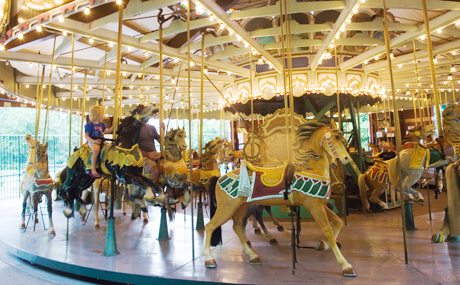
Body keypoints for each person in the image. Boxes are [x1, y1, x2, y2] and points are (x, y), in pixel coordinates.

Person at [135, 105, 163, 184]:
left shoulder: (152, 127)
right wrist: (148, 154)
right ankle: (153, 191)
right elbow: (134, 148)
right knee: (155, 170)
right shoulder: (135, 129)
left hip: (154, 154)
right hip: (142, 156)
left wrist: (163, 130)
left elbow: (161, 141)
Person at [85, 105, 111, 178]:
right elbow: (86, 136)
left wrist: (114, 126)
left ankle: (104, 165)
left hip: (101, 140)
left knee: (110, 148)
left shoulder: (102, 124)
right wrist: (93, 141)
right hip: (93, 141)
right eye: (102, 114)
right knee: (96, 150)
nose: (104, 116)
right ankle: (93, 168)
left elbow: (107, 131)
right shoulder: (89, 125)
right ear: (97, 115)